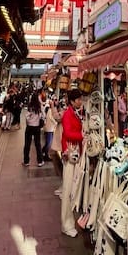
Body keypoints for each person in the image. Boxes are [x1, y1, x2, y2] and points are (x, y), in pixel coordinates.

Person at [61, 89, 83, 238]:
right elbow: (68, 133)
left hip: (75, 152)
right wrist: (83, 135)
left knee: (73, 188)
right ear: (73, 101)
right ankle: (66, 224)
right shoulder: (67, 114)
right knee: (68, 189)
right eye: (79, 99)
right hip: (71, 153)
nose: (81, 102)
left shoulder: (74, 112)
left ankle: (70, 221)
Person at [22, 91, 45, 167]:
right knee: (37, 144)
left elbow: (27, 116)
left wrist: (30, 120)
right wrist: (38, 120)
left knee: (27, 144)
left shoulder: (30, 106)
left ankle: (26, 161)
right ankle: (40, 161)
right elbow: (43, 116)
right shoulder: (40, 106)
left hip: (29, 127)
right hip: (37, 127)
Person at [50, 96, 67, 196]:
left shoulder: (67, 111)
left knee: (61, 162)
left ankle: (64, 185)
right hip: (62, 140)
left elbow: (57, 117)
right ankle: (63, 184)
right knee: (58, 159)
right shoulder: (66, 110)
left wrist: (53, 107)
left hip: (63, 141)